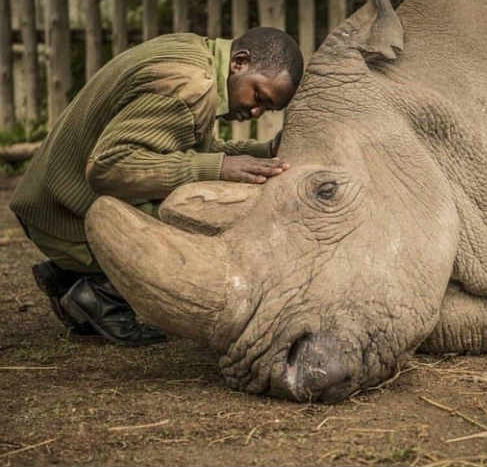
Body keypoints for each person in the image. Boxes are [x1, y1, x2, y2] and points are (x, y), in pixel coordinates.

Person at [10, 27, 304, 346]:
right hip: (63, 215)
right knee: (206, 216)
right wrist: (218, 168)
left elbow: (188, 149)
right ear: (240, 62)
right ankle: (98, 293)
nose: (255, 111)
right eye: (259, 96)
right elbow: (109, 167)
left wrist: (263, 153)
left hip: (50, 199)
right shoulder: (192, 86)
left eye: (267, 108)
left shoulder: (194, 54)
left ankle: (70, 275)